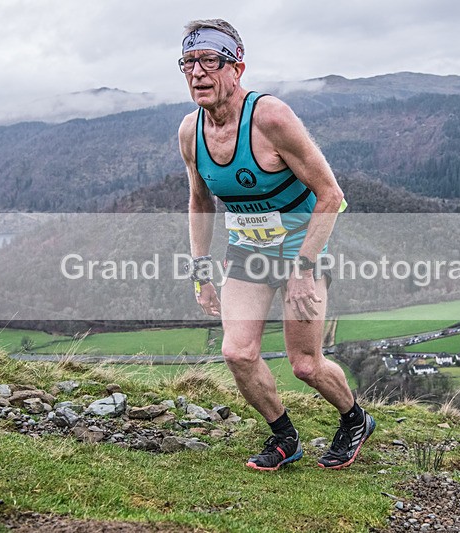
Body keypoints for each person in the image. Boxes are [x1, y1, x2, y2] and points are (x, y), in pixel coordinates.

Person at [177, 19, 374, 471]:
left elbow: (332, 195)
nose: (197, 73)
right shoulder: (190, 131)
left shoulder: (270, 118)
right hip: (248, 252)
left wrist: (303, 268)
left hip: (302, 251)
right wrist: (200, 271)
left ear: (237, 67)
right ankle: (285, 437)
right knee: (237, 352)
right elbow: (199, 200)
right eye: (188, 62)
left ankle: (354, 419)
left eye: (209, 60)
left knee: (305, 364)